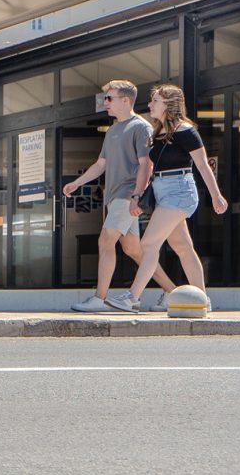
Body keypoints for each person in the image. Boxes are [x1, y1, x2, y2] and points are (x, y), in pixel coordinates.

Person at [62, 80, 176, 312]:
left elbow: (146, 164)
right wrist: (77, 183)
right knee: (133, 250)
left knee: (105, 241)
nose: (105, 103)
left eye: (109, 98)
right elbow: (100, 164)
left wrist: (137, 195)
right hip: (114, 197)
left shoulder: (141, 127)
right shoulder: (112, 131)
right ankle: (172, 293)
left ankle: (99, 299)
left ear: (125, 101)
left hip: (127, 195)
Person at [116, 83, 230, 312]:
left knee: (148, 244)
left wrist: (216, 196)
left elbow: (202, 165)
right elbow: (148, 167)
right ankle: (202, 301)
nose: (150, 105)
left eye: (155, 101)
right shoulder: (157, 133)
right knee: (183, 247)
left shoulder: (186, 131)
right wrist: (138, 195)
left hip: (180, 191)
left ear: (169, 104)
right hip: (163, 191)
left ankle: (132, 297)